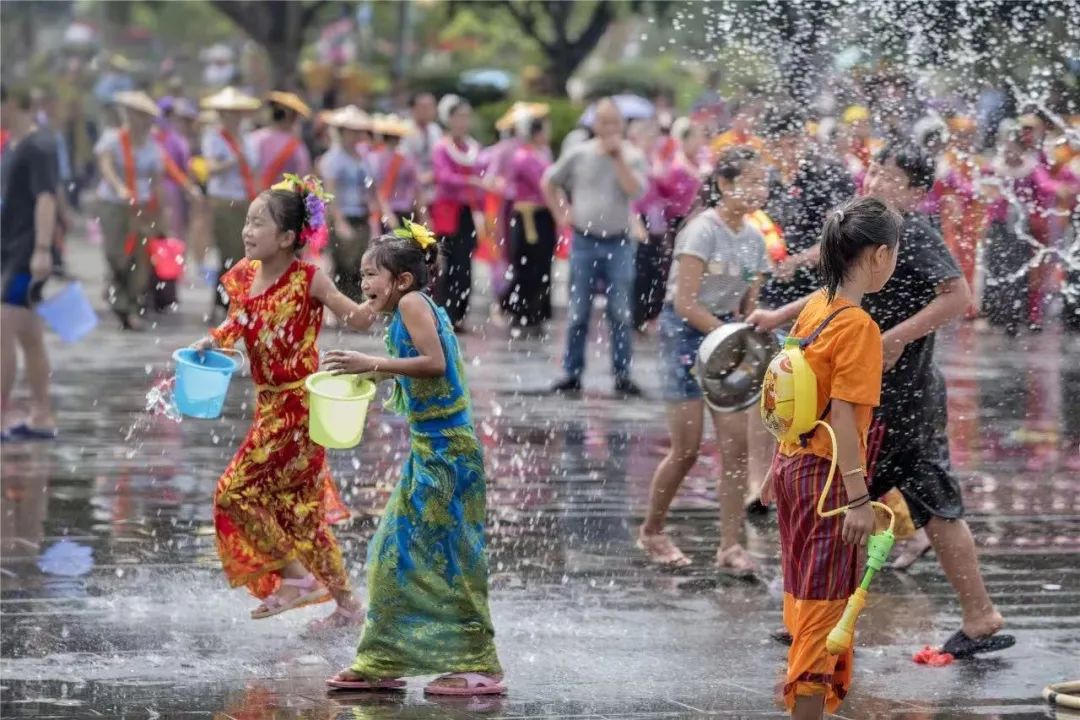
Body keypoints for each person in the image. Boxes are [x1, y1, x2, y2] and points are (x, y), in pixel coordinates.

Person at [323, 223, 504, 696]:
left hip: (448, 454)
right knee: (395, 554)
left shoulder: (411, 304)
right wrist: (372, 377)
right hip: (433, 448)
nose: (363, 285)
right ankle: (384, 660)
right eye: (360, 276)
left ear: (402, 279)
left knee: (447, 558)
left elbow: (436, 363)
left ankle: (479, 665)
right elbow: (422, 371)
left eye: (370, 275)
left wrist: (374, 365)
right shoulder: (410, 305)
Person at [190, 175, 369, 630]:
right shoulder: (244, 276)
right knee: (299, 510)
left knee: (233, 493)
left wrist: (391, 293)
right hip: (269, 404)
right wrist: (211, 342)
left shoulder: (309, 279)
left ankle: (296, 576)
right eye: (247, 221)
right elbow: (238, 324)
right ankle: (349, 608)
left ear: (288, 237)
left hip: (299, 407)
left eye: (258, 224)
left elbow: (358, 318)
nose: (247, 231)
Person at [761, 197, 901, 720]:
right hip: (827, 482)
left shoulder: (817, 306)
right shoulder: (858, 326)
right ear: (880, 255)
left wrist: (774, 468)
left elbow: (789, 391)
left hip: (793, 466)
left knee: (802, 594)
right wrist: (858, 497)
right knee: (824, 609)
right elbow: (843, 418)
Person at [637, 147, 769, 573]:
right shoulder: (702, 230)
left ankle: (730, 546)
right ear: (726, 185)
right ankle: (653, 530)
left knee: (736, 448)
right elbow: (684, 302)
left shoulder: (754, 239)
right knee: (687, 448)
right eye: (750, 181)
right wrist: (727, 335)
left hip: (728, 336)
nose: (759, 189)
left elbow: (753, 305)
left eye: (762, 182)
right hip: (686, 336)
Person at [542, 98, 648, 396]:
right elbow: (549, 182)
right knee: (578, 312)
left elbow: (636, 190)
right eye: (604, 122)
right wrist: (560, 213)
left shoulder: (633, 156)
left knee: (620, 312)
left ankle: (623, 374)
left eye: (615, 122)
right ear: (594, 124)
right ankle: (572, 373)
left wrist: (618, 159)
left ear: (623, 125)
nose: (610, 128)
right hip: (584, 241)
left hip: (620, 241)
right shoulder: (578, 154)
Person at [1, 85, 60, 441]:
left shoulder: (39, 146)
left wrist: (41, 248)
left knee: (5, 325)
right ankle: (41, 414)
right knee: (28, 333)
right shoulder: (11, 146)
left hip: (24, 252)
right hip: (8, 249)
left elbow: (46, 199)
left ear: (10, 102)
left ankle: (4, 411)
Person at [94, 91, 168, 331]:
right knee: (116, 254)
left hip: (143, 207)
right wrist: (119, 187)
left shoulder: (153, 147)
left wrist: (159, 213)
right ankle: (118, 292)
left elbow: (157, 181)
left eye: (145, 116)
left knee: (140, 258)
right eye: (136, 114)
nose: (140, 120)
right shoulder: (112, 139)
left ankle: (130, 306)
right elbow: (105, 164)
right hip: (114, 204)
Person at [199, 87, 262, 320]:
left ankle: (230, 300)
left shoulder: (248, 139)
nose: (234, 118)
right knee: (228, 252)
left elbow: (255, 169)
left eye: (238, 113)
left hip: (246, 199)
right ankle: (225, 302)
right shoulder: (214, 138)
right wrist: (233, 161)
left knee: (245, 254)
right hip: (224, 201)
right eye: (229, 113)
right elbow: (211, 169)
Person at [320, 106, 385, 304]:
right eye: (351, 131)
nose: (355, 135)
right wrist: (338, 221)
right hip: (343, 214)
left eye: (358, 131)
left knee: (359, 263)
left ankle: (354, 306)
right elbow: (330, 193)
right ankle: (342, 307)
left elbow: (370, 186)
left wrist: (378, 210)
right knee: (342, 263)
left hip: (361, 214)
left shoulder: (363, 158)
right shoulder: (333, 158)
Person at [430, 95, 485, 331]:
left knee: (465, 264)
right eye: (459, 116)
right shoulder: (442, 147)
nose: (463, 121)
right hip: (447, 214)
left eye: (466, 116)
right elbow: (443, 177)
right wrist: (470, 181)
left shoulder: (472, 148)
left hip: (467, 213)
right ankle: (444, 313)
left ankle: (460, 313)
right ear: (449, 119)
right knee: (447, 265)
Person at [500, 116, 556, 330]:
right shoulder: (524, 157)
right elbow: (544, 184)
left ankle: (536, 310)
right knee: (526, 264)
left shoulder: (540, 155)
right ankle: (521, 309)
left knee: (541, 264)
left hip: (542, 215)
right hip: (528, 217)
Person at [250, 92, 313, 191]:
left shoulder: (254, 138)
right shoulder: (297, 146)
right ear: (292, 118)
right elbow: (303, 175)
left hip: (255, 197)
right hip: (283, 200)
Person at [370, 114, 417, 229]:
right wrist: (387, 212)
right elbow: (376, 189)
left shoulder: (407, 159)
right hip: (385, 212)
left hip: (404, 210)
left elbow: (415, 187)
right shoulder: (375, 158)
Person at [401, 92, 442, 215]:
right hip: (409, 188)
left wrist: (434, 174)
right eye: (424, 107)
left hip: (433, 187)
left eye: (431, 106)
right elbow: (404, 160)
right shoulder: (404, 129)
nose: (428, 111)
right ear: (413, 109)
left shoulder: (435, 130)